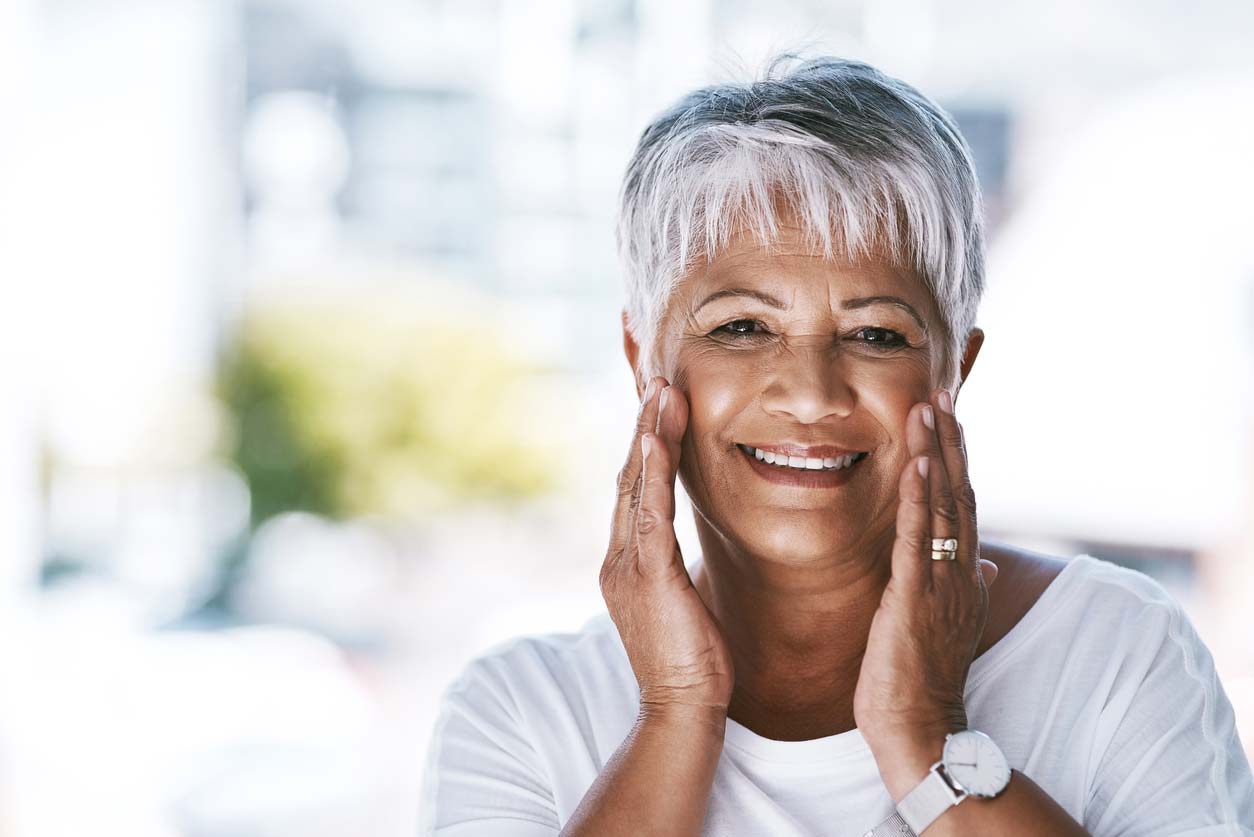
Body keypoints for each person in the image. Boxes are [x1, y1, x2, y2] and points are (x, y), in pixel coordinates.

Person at [419, 55, 1254, 836]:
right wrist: (675, 709)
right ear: (646, 361)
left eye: (877, 334)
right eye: (743, 327)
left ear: (951, 370)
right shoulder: (522, 711)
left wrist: (925, 737)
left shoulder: (1115, 651)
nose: (812, 393)